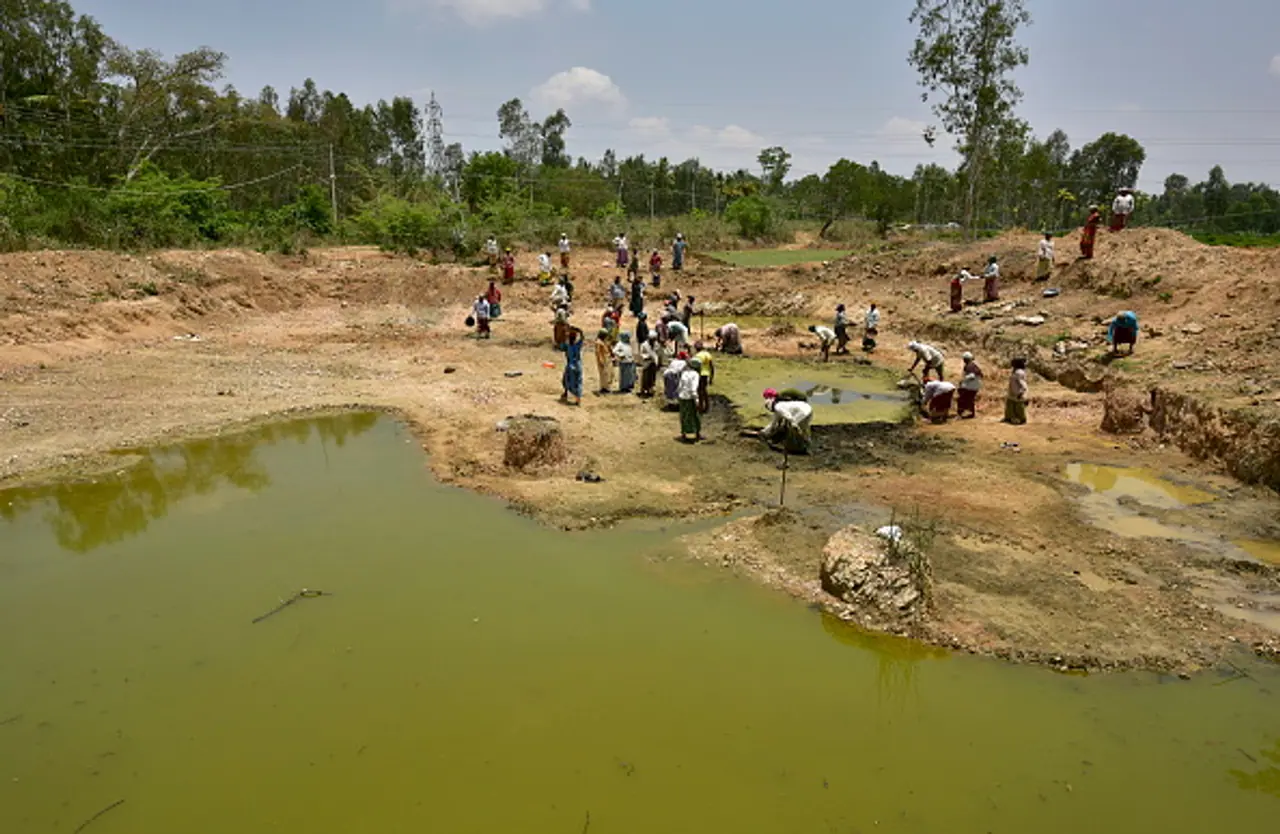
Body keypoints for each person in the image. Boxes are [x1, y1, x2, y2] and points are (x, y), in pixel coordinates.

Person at [677, 358, 703, 442]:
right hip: (690, 398)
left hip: (682, 397)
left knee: (684, 416)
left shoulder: (684, 373)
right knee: (695, 416)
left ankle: (684, 434)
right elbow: (693, 388)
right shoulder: (695, 375)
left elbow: (680, 386)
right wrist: (697, 400)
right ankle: (697, 434)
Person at [560, 326, 584, 405]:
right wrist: (579, 330)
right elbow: (582, 338)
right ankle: (578, 399)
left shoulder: (567, 346)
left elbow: (561, 346)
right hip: (578, 365)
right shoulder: (577, 345)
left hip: (570, 366)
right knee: (578, 382)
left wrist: (564, 336)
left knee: (566, 380)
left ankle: (566, 393)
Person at [957, 352, 984, 418]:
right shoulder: (974, 365)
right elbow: (981, 375)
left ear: (966, 359)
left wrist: (962, 381)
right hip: (976, 385)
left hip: (971, 386)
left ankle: (961, 413)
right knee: (970, 399)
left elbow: (971, 376)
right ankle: (971, 413)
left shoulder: (969, 366)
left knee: (962, 399)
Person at [1004, 357, 1029, 425]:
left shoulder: (1019, 373)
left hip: (1018, 393)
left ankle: (1021, 419)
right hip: (1013, 392)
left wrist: (1021, 392)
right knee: (1010, 406)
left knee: (1018, 407)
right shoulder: (1016, 371)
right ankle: (1010, 418)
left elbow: (1023, 384)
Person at [693, 341, 715, 413]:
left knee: (700, 391)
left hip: (700, 374)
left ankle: (701, 407)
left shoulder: (697, 356)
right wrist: (711, 377)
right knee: (704, 391)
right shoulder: (707, 354)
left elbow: (696, 367)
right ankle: (707, 406)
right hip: (706, 374)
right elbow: (712, 366)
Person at [594, 328, 615, 394]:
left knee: (609, 373)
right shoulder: (598, 342)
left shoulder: (604, 341)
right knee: (604, 374)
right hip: (603, 359)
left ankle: (606, 387)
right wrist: (601, 360)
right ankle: (605, 388)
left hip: (607, 359)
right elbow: (598, 352)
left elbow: (609, 347)